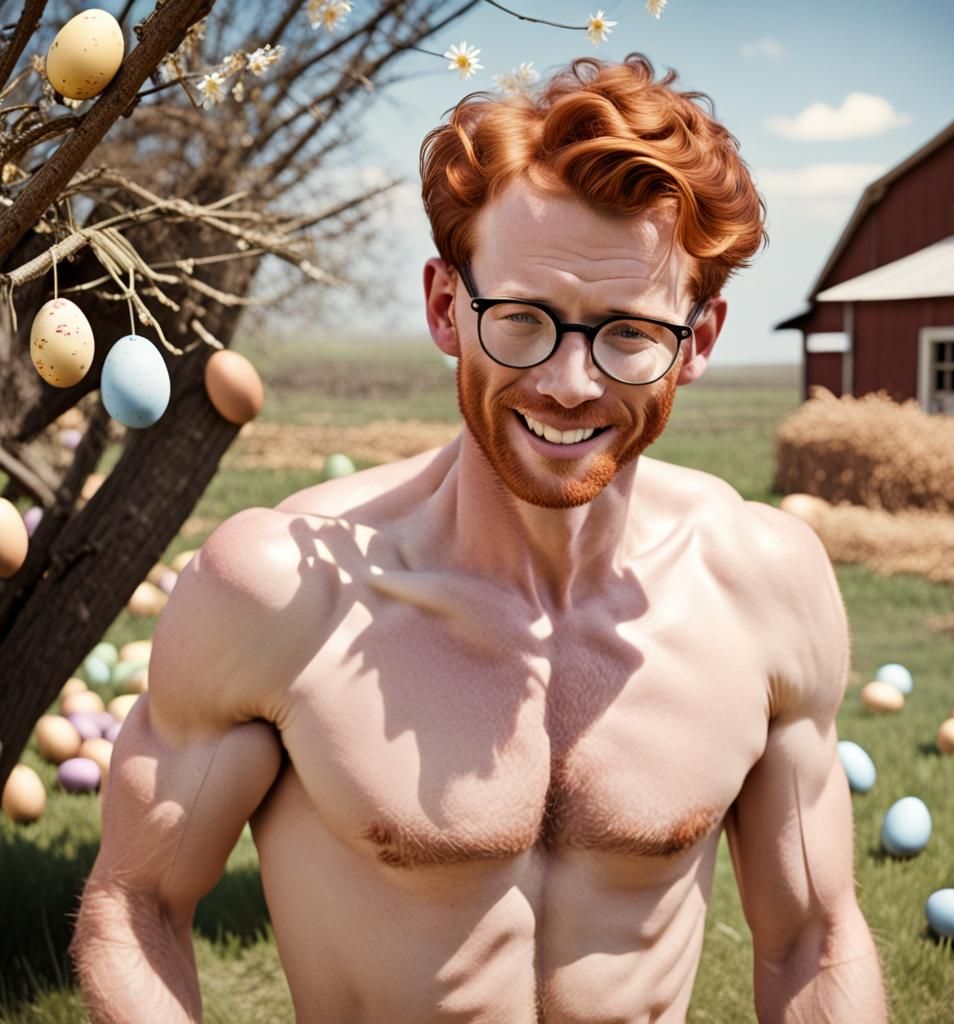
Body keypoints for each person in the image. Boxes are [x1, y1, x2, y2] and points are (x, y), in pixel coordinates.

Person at [71, 54, 888, 1022]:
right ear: (443, 306)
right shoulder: (282, 594)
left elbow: (811, 937)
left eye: (628, 332)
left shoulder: (764, 588)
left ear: (698, 343)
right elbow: (133, 907)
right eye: (523, 318)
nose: (569, 382)